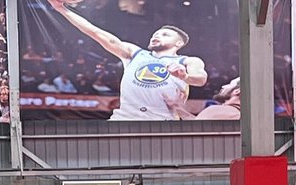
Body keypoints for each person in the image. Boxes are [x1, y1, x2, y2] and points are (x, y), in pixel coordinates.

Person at [45, 0, 206, 121]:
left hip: (161, 120)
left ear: (178, 43)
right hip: (124, 118)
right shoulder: (135, 53)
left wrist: (184, 76)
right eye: (155, 33)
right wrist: (61, 10)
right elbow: (96, 32)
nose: (156, 36)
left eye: (165, 34)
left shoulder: (188, 60)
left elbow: (200, 79)